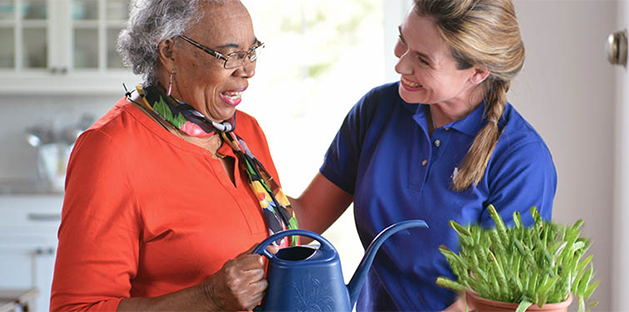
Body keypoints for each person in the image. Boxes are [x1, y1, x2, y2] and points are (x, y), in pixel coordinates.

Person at [289, 0, 557, 311]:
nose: (400, 65)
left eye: (423, 60)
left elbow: (485, 303)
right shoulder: (377, 111)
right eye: (402, 39)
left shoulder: (521, 161)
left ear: (477, 73)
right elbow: (305, 218)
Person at [50, 0, 299, 311]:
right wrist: (208, 297)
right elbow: (77, 308)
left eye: (252, 51)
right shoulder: (111, 149)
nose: (248, 69)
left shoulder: (243, 133)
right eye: (230, 54)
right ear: (169, 53)